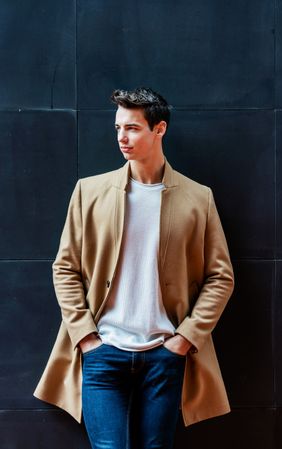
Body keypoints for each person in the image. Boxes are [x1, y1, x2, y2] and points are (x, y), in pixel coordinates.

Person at [34, 87, 234, 449]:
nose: (121, 138)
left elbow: (220, 277)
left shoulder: (197, 197)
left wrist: (185, 338)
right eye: (117, 129)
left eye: (132, 128)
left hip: (164, 353)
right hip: (103, 352)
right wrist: (86, 336)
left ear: (159, 129)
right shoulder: (89, 192)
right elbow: (65, 267)